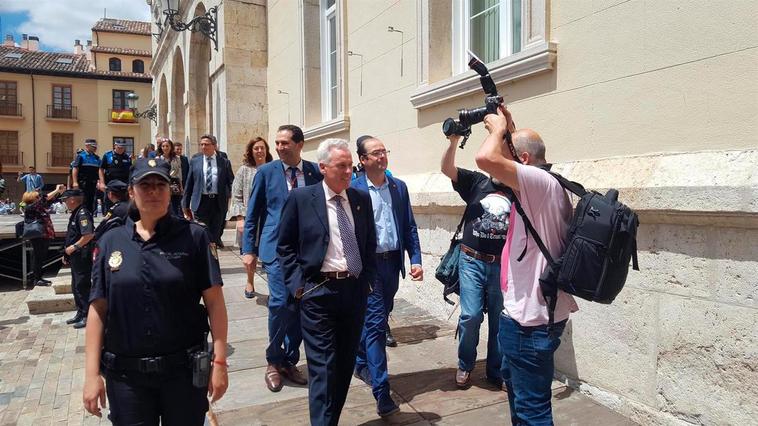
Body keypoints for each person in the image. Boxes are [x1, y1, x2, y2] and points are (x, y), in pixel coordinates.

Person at [82, 158, 229, 424]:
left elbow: (215, 304)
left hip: (182, 374)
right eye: (145, 185)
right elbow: (98, 310)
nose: (153, 191)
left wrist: (219, 364)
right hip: (127, 378)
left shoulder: (194, 237)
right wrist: (91, 374)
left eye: (160, 185)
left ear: (170, 190)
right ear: (131, 192)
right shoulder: (110, 241)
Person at [476, 107, 578, 425]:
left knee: (533, 410)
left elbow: (487, 160)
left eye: (511, 154)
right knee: (520, 397)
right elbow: (504, 160)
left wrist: (497, 129)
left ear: (523, 159)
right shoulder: (542, 184)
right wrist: (508, 131)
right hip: (526, 315)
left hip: (530, 322)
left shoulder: (537, 182)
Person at [278, 138, 377, 425]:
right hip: (317, 292)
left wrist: (367, 281)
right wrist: (298, 286)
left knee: (345, 365)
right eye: (341, 166)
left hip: (354, 291)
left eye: (350, 166)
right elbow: (284, 246)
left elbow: (369, 243)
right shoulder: (301, 199)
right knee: (322, 367)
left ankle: (328, 420)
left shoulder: (360, 200)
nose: (349, 171)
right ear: (323, 167)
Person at [241, 124, 322, 392]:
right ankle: (273, 361)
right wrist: (248, 249)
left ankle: (290, 360)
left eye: (284, 143)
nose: (278, 147)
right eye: (277, 143)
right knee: (278, 304)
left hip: (306, 252)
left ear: (299, 144)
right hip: (275, 250)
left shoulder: (313, 171)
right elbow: (252, 214)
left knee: (300, 305)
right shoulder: (266, 172)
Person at [350, 136, 422, 416]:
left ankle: (359, 358)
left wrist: (415, 259)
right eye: (375, 153)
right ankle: (382, 392)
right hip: (369, 267)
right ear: (363, 160)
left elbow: (410, 227)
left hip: (392, 264)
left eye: (384, 151)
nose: (382, 156)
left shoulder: (398, 187)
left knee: (377, 318)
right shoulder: (353, 190)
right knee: (377, 325)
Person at [442, 130, 510, 389]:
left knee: (499, 319)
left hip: (502, 264)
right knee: (470, 316)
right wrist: (453, 143)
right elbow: (448, 169)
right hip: (471, 261)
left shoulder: (517, 189)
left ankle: (496, 371)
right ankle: (465, 364)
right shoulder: (477, 182)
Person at [229, 137, 273, 299]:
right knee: (250, 253)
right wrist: (240, 218)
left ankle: (272, 285)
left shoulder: (273, 169)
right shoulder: (244, 170)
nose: (260, 151)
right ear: (251, 151)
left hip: (268, 218)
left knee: (270, 252)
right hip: (250, 218)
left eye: (262, 148)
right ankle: (250, 281)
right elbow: (237, 195)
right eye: (256, 148)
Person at [182, 134, 234, 246]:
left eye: (206, 144)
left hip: (218, 203)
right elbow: (189, 184)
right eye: (202, 144)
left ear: (214, 146)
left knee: (215, 234)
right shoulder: (195, 161)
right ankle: (203, 258)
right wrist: (185, 205)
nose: (203, 147)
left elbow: (231, 182)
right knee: (202, 232)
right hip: (201, 202)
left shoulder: (224, 162)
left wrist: (231, 199)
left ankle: (212, 258)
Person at [61, 188, 95, 329]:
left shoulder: (82, 214)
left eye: (65, 200)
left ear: (73, 199)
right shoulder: (75, 213)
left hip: (82, 255)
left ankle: (88, 315)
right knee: (76, 286)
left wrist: (73, 247)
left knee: (82, 286)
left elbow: (88, 235)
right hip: (75, 256)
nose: (64, 203)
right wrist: (66, 253)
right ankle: (80, 312)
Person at [22, 184, 66, 287]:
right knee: (37, 257)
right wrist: (56, 190)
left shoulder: (39, 206)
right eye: (37, 196)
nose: (39, 198)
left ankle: (39, 277)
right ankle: (36, 279)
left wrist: (58, 192)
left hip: (44, 235)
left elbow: (47, 200)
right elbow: (44, 198)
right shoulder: (30, 207)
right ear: (31, 198)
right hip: (37, 236)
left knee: (41, 257)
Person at [98, 141, 132, 211]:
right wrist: (102, 183)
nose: (121, 149)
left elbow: (130, 171)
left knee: (123, 206)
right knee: (109, 206)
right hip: (111, 185)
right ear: (115, 146)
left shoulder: (127, 157)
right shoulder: (108, 155)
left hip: (123, 186)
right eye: (119, 147)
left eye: (123, 148)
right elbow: (101, 169)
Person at [71, 139, 101, 213]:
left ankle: (89, 218)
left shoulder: (97, 158)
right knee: (82, 201)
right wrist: (75, 182)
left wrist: (99, 182)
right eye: (93, 146)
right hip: (82, 183)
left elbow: (99, 171)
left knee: (91, 202)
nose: (95, 148)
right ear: (87, 146)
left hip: (93, 184)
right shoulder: (81, 156)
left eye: (96, 146)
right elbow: (75, 169)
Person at [156, 138, 184, 216]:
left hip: (174, 183)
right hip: (163, 183)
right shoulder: (158, 159)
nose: (165, 148)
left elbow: (179, 173)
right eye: (163, 146)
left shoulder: (177, 158)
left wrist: (181, 186)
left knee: (175, 205)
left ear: (171, 147)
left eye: (167, 146)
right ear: (161, 147)